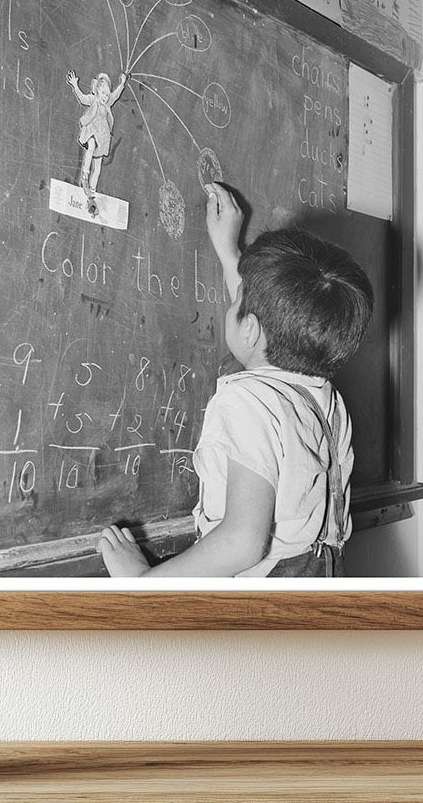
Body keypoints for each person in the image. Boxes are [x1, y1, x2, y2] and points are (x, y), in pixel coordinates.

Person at [98, 182, 373, 578]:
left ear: (250, 329)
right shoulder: (325, 401)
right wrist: (230, 254)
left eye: (237, 297)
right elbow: (266, 331)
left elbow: (243, 542)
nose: (233, 301)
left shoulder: (248, 403)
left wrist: (143, 585)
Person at [66, 69, 127, 199]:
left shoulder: (108, 103)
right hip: (92, 131)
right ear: (97, 90)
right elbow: (82, 98)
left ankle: (92, 193)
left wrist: (122, 83)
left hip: (103, 136)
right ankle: (85, 174)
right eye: (103, 93)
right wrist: (75, 85)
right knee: (91, 144)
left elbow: (115, 95)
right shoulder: (93, 100)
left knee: (98, 166)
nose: (105, 97)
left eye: (107, 94)